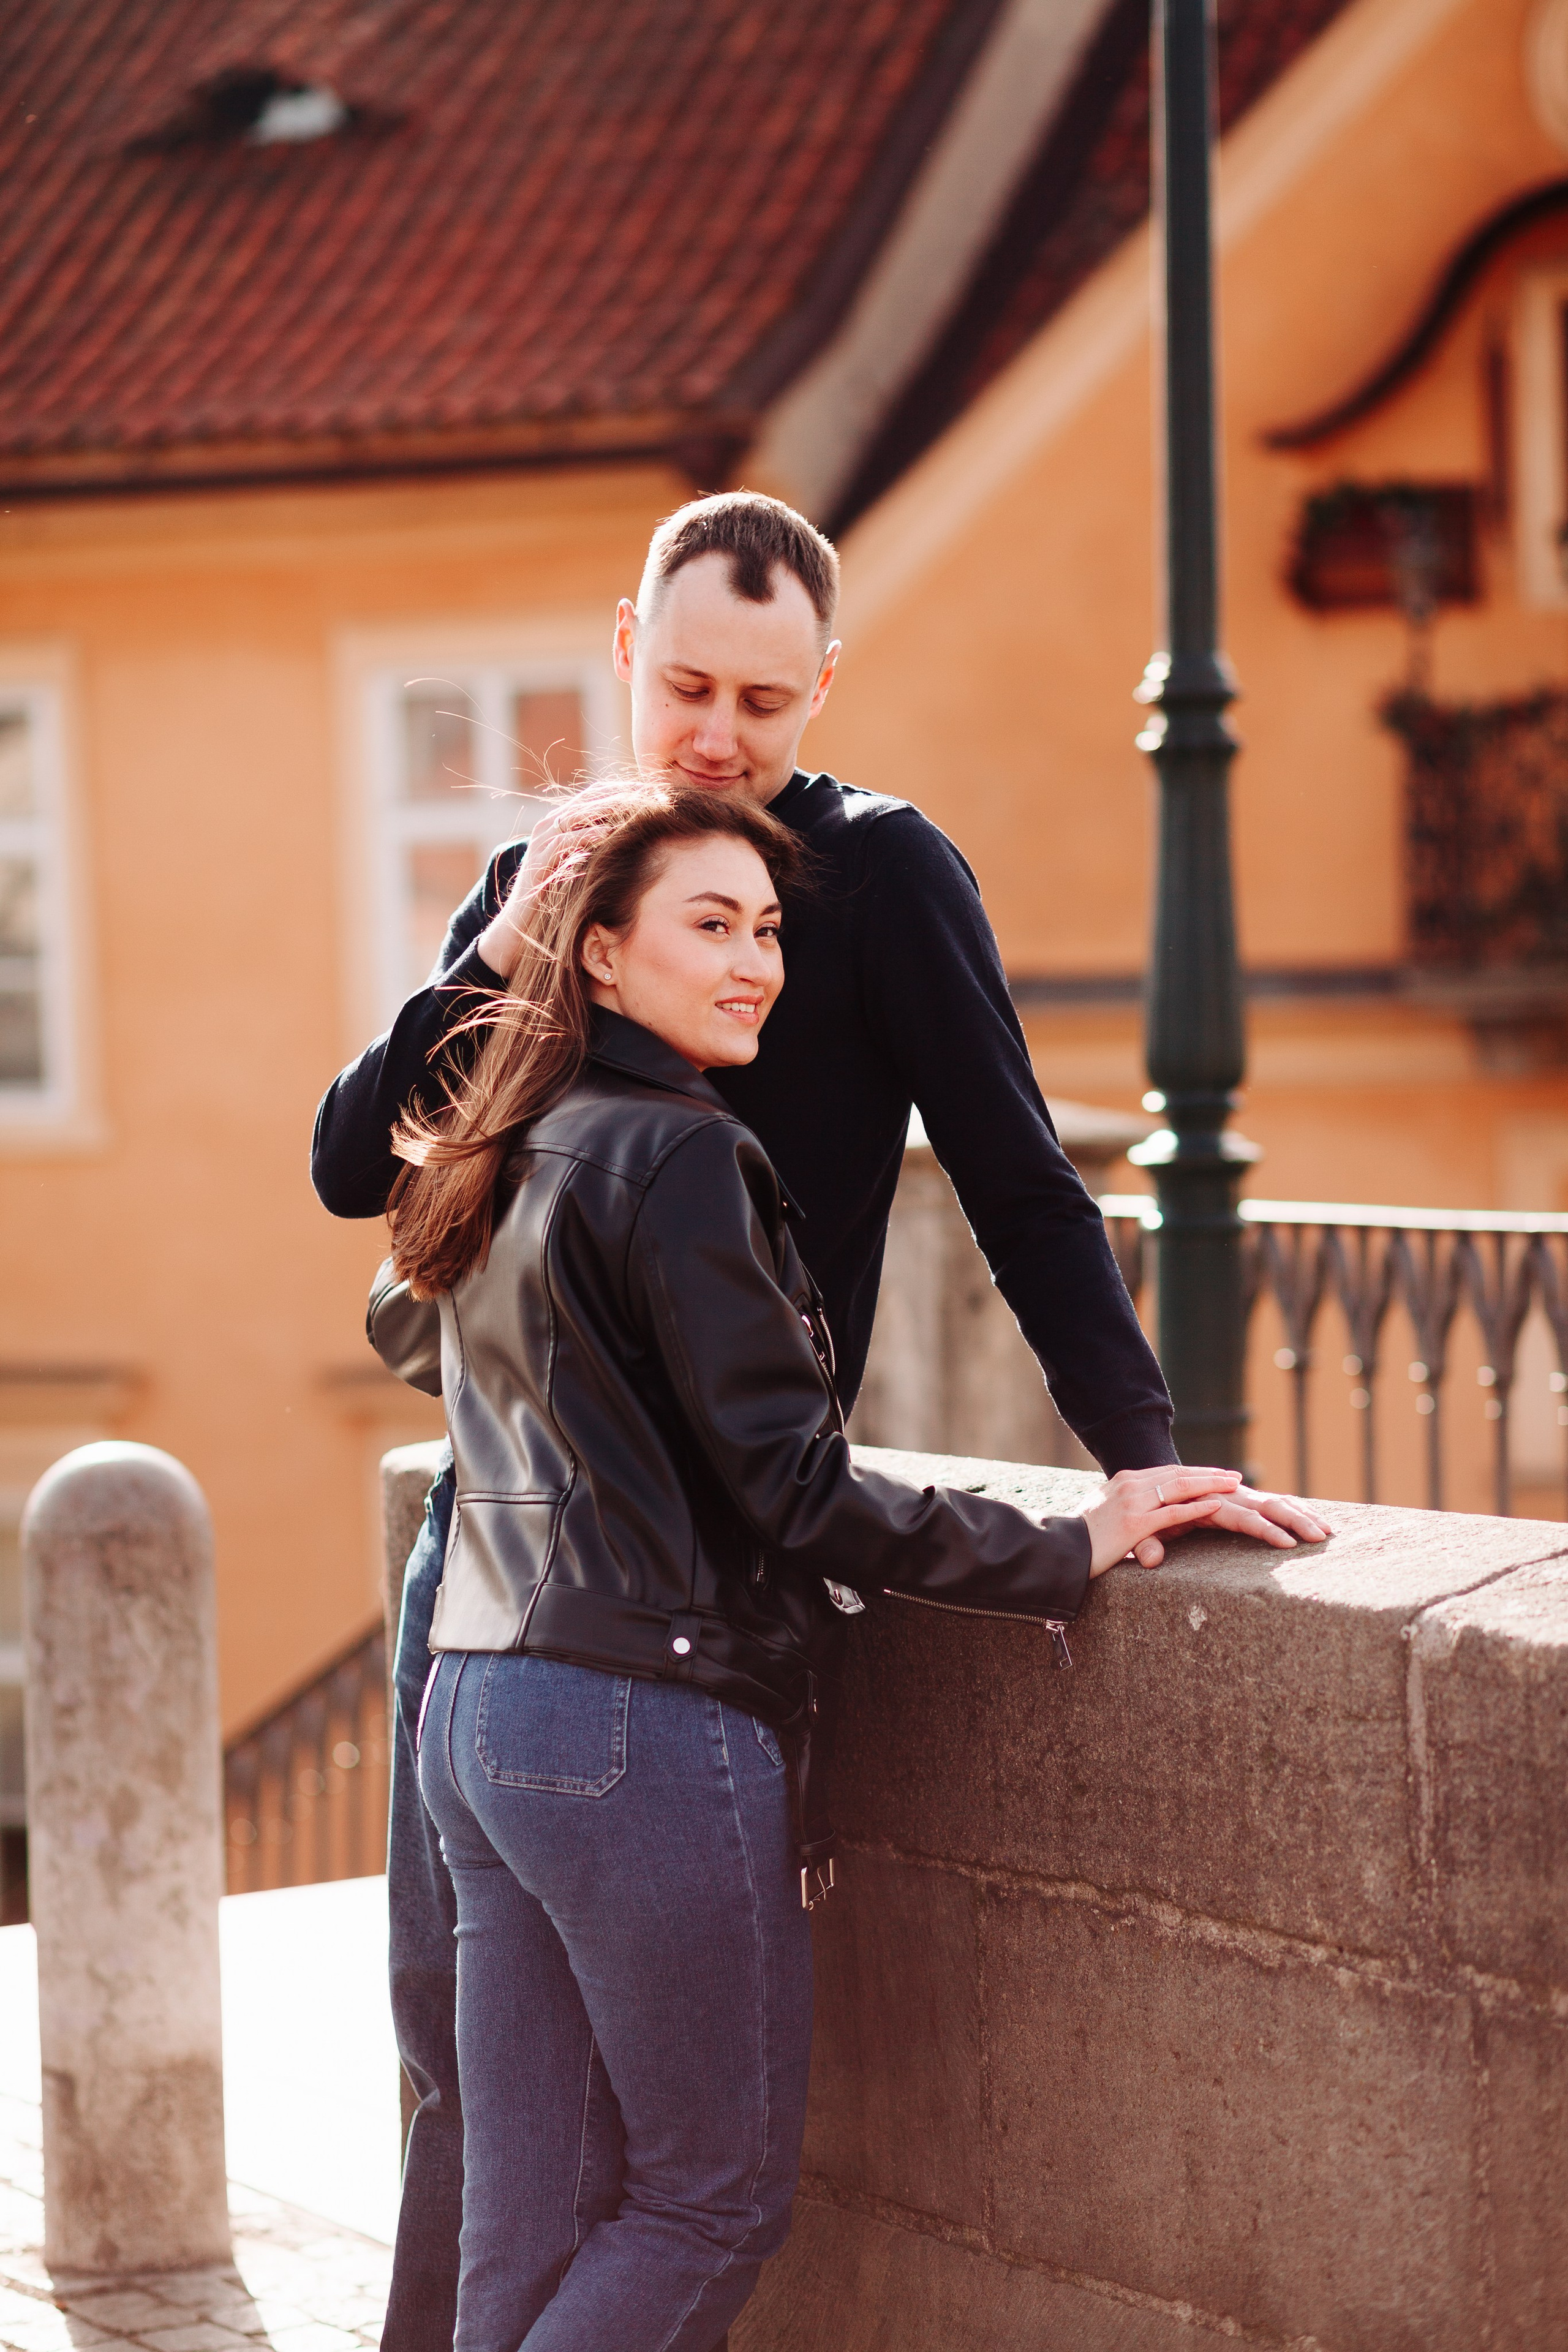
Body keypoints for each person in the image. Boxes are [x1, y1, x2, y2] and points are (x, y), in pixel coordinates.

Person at [310, 491, 1327, 2351]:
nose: (720, 734)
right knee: (458, 2082)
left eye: (766, 705)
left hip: (701, 1565)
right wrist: (527, 924)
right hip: (498, 1559)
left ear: (825, 693)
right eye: (688, 684)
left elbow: (1024, 1183)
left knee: (637, 2159)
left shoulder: (882, 876)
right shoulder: (562, 892)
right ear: (627, 653)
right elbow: (340, 1161)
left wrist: (1142, 1457)